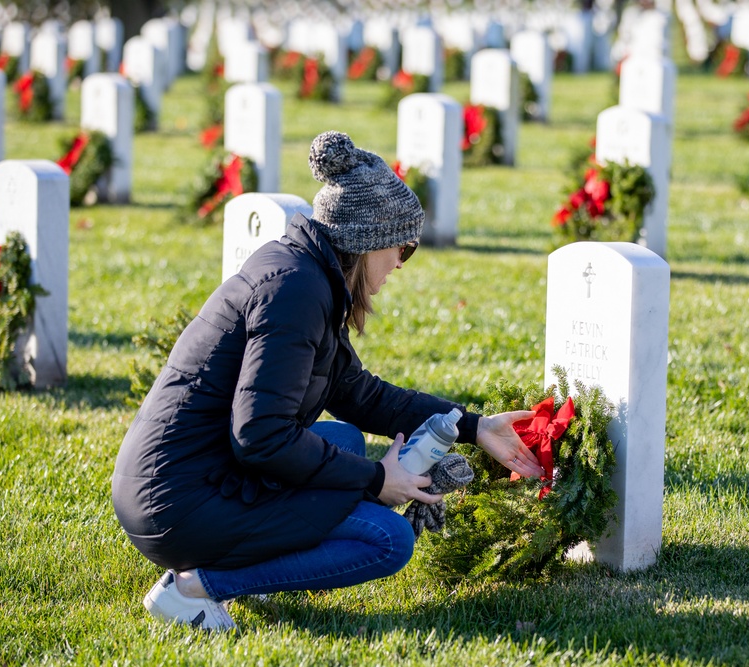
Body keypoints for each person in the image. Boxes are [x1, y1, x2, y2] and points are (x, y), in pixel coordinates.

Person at [111, 131, 543, 631]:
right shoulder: (297, 292)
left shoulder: (306, 274)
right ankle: (194, 589)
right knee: (386, 539)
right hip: (177, 500)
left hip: (185, 477)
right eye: (401, 249)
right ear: (367, 240)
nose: (401, 264)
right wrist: (377, 480)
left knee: (343, 438)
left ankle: (210, 569)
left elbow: (361, 395)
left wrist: (473, 426)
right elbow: (261, 437)